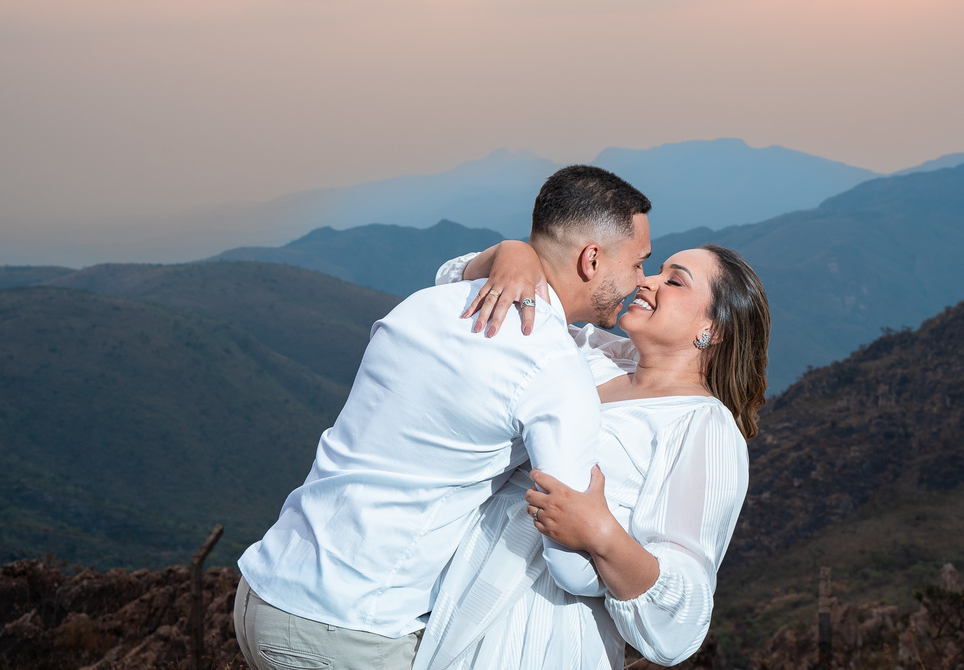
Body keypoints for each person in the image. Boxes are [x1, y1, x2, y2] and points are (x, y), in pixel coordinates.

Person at [233, 166, 652, 670]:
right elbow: (567, 562)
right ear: (591, 259)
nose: (641, 282)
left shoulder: (426, 305)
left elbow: (453, 272)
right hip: (349, 629)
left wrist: (506, 250)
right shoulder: (555, 370)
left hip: (263, 588)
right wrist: (622, 573)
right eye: (638, 264)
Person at [413, 239, 770, 669]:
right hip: (456, 592)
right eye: (656, 269)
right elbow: (463, 290)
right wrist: (512, 254)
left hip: (544, 630)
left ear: (712, 330)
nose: (648, 281)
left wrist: (599, 531)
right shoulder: (597, 356)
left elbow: (684, 616)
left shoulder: (703, 426)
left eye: (674, 281)